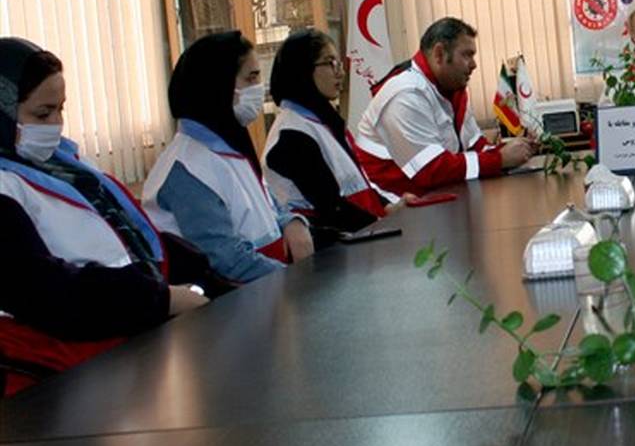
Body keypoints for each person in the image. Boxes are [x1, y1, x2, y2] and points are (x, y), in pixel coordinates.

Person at [0, 38, 213, 395]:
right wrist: (161, 299)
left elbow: (125, 235)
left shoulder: (64, 166)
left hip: (129, 352)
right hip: (61, 384)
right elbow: (45, 291)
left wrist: (199, 273)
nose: (56, 125)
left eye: (61, 110)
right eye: (42, 114)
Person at [142, 32, 314, 282]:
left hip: (272, 287)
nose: (259, 88)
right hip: (245, 297)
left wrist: (290, 221)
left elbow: (264, 202)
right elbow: (226, 259)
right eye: (251, 78)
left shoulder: (229, 147)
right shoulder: (186, 169)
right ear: (218, 86)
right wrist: (300, 282)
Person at [355, 17, 535, 196]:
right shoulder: (405, 93)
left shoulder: (451, 90)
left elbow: (476, 147)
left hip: (434, 196)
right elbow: (431, 170)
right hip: (391, 204)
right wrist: (500, 159)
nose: (474, 65)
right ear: (439, 54)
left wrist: (516, 150)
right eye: (467, 55)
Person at [264, 29, 404, 244]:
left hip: (360, 237)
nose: (340, 73)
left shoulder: (323, 121)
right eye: (330, 63)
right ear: (303, 70)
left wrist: (389, 207)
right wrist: (381, 225)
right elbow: (330, 207)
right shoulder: (292, 134)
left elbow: (357, 183)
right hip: (330, 248)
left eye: (339, 63)